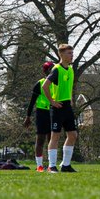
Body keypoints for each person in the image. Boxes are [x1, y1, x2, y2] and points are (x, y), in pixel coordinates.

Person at [43, 44, 79, 173]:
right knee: (55, 136)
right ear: (61, 55)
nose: (71, 55)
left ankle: (66, 165)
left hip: (67, 106)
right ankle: (51, 166)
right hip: (57, 108)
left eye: (72, 53)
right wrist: (52, 101)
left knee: (73, 135)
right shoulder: (57, 69)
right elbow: (45, 86)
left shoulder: (70, 69)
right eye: (69, 53)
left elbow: (68, 87)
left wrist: (71, 100)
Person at [24, 62, 54, 171]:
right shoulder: (40, 84)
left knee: (52, 139)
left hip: (53, 112)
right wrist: (28, 116)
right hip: (41, 113)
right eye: (51, 68)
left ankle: (52, 165)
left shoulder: (57, 84)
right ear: (45, 71)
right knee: (40, 140)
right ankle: (39, 165)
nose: (53, 70)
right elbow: (32, 102)